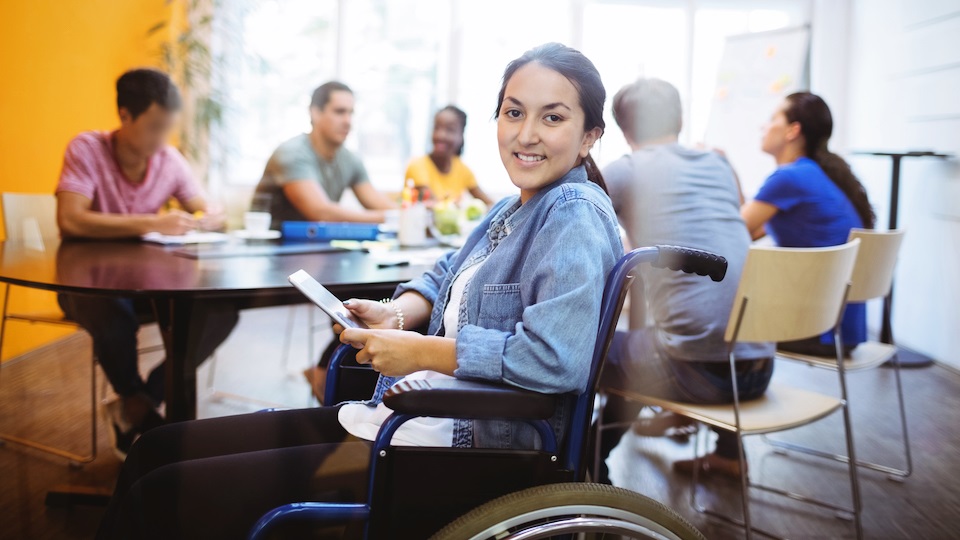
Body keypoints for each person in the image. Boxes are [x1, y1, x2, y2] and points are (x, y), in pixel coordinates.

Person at [94, 43, 622, 540]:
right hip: (415, 420)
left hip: (467, 447)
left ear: (589, 135)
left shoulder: (572, 213)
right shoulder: (516, 207)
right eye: (513, 112)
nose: (526, 134)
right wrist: (395, 313)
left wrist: (418, 351)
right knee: (154, 448)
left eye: (552, 117)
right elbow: (444, 273)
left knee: (160, 490)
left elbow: (555, 359)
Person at [593, 78, 776, 482]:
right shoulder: (718, 164)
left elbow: (579, 239)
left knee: (585, 348)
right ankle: (729, 451)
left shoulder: (625, 170)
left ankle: (589, 463)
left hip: (700, 374)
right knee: (671, 338)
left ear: (623, 131)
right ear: (679, 119)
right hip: (760, 367)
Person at [55, 68, 239, 458]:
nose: (162, 139)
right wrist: (152, 222)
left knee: (221, 312)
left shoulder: (168, 158)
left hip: (146, 284)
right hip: (85, 286)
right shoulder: (87, 149)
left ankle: (137, 404)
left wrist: (209, 216)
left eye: (168, 128)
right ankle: (141, 406)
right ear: (124, 115)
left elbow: (207, 208)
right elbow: (70, 220)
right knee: (110, 307)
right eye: (155, 127)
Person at [741, 92, 875, 357]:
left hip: (817, 330)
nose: (763, 127)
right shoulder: (815, 174)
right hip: (843, 331)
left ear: (793, 130)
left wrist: (722, 167)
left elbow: (731, 230)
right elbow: (751, 229)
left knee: (714, 323)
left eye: (772, 119)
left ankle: (730, 391)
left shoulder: (789, 178)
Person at [254, 81, 396, 229]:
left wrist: (407, 214)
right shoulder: (292, 154)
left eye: (351, 113)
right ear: (315, 113)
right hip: (272, 247)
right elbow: (321, 212)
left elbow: (380, 204)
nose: (348, 121)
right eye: (339, 112)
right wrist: (390, 218)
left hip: (317, 247)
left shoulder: (351, 159)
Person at [404, 105, 494, 206]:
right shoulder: (417, 166)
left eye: (450, 130)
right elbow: (436, 208)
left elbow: (490, 204)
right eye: (436, 128)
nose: (440, 135)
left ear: (461, 136)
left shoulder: (463, 169)